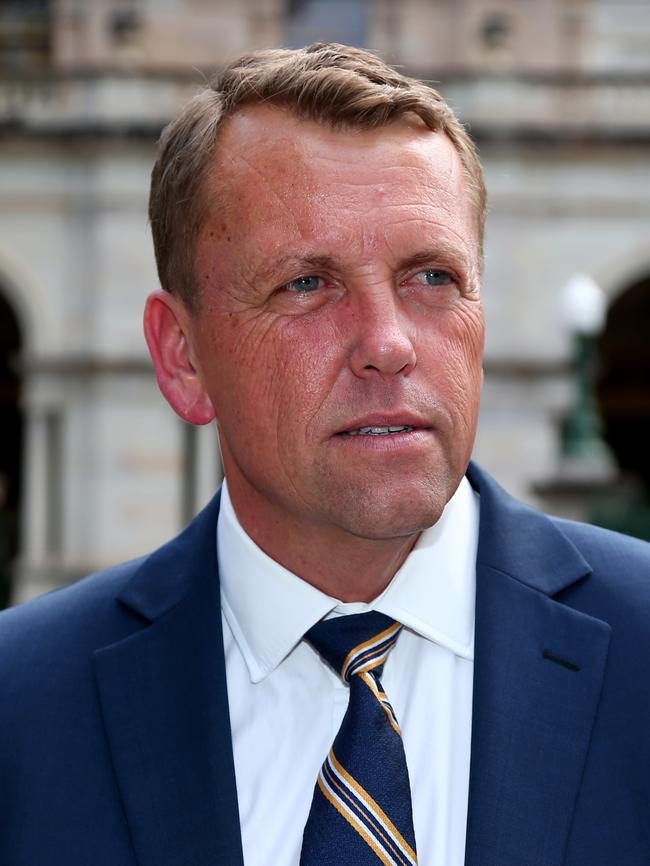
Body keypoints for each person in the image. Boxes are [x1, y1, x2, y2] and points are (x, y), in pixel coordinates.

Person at [0, 43, 649, 866]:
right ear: (183, 359)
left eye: (433, 278)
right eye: (307, 284)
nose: (388, 343)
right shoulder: (21, 709)